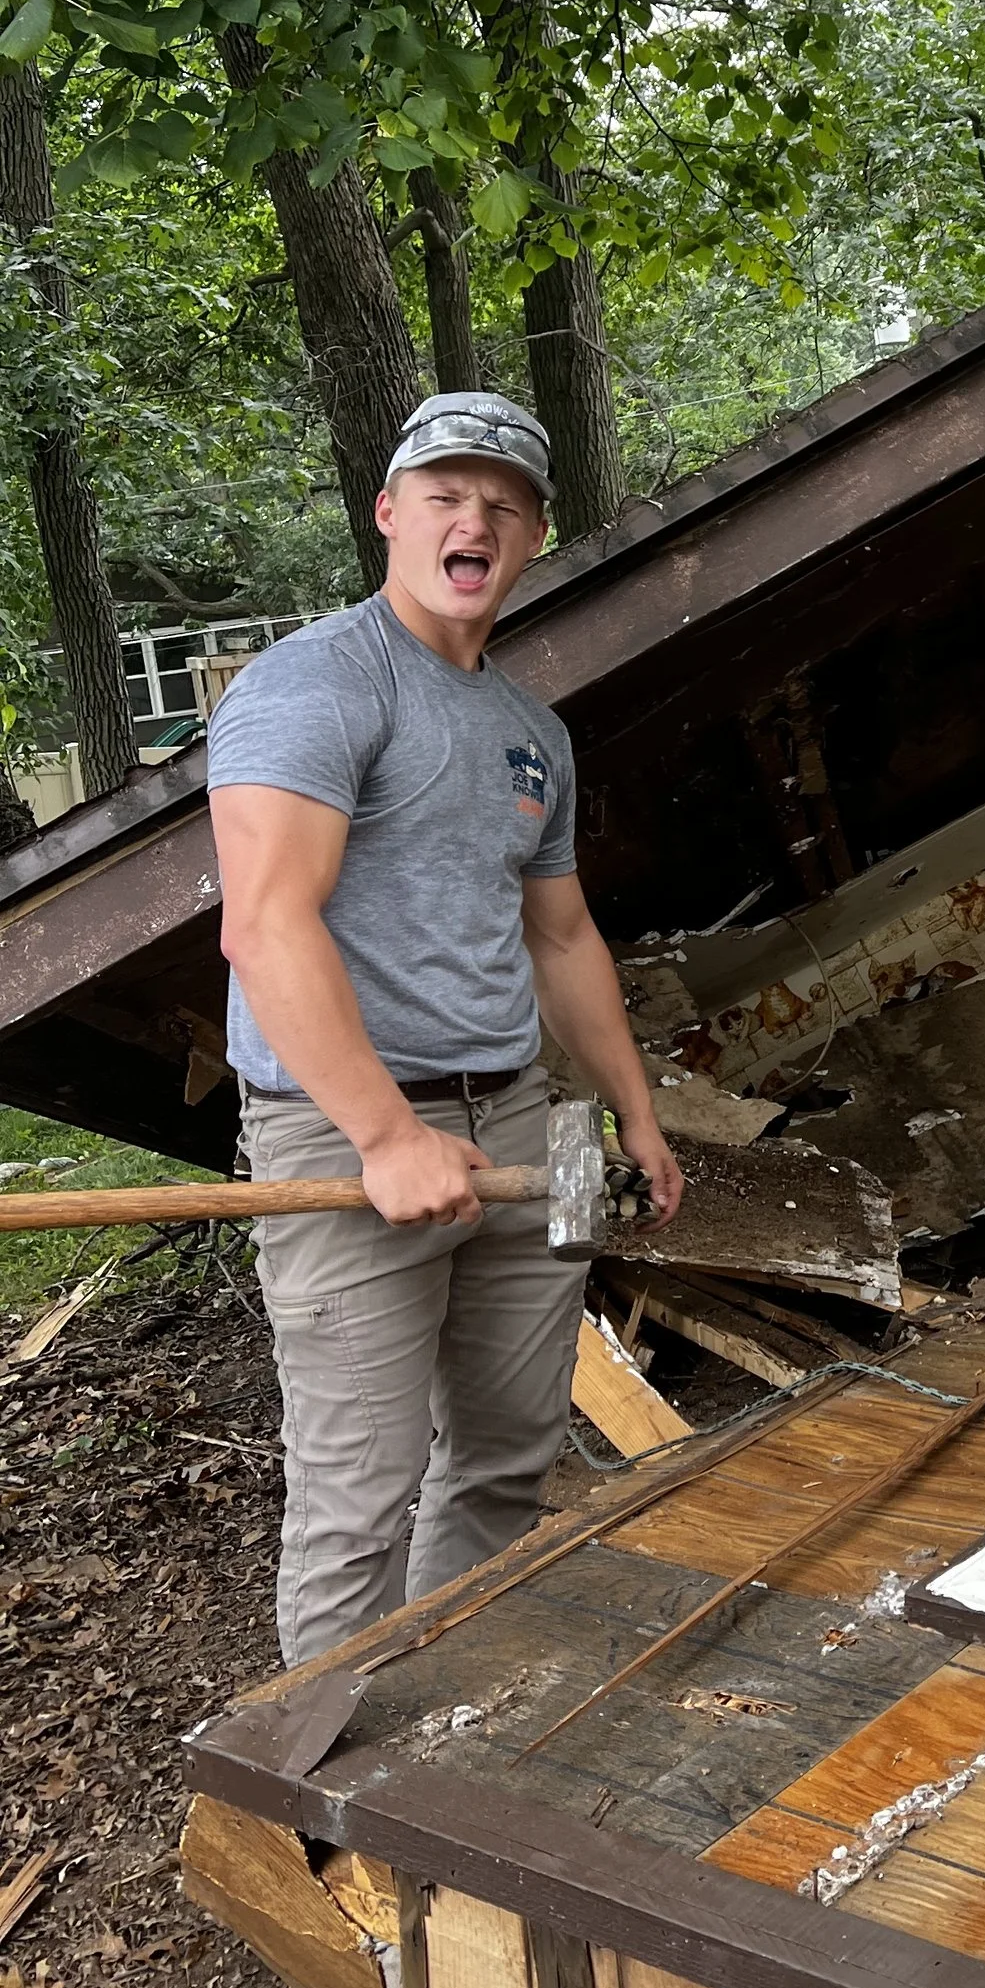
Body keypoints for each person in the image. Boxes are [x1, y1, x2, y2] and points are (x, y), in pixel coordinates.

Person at [206, 390, 683, 1664]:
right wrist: (380, 1132)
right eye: (445, 495)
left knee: (507, 1455)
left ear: (532, 537)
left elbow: (561, 936)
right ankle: (312, 1786)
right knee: (358, 1492)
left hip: (517, 1118)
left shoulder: (533, 732)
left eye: (503, 504)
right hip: (345, 1131)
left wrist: (633, 1112)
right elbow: (265, 924)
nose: (473, 519)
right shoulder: (312, 684)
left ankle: (437, 1713)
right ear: (389, 517)